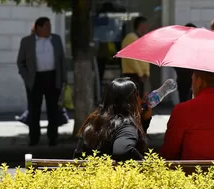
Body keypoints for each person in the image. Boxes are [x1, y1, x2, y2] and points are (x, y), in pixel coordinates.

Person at [73, 78, 152, 161]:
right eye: (138, 96)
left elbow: (78, 154)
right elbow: (122, 151)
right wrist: (146, 166)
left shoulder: (93, 122)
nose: (141, 101)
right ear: (132, 101)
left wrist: (144, 121)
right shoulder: (126, 125)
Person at [17, 17, 67, 146]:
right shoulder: (27, 42)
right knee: (34, 111)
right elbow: (20, 62)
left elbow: (62, 60)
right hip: (35, 79)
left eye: (50, 26)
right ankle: (34, 139)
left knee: (53, 110)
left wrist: (63, 79)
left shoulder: (56, 39)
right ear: (39, 28)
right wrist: (27, 78)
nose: (50, 29)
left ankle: (53, 138)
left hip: (52, 77)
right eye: (47, 26)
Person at [121, 16, 150, 97]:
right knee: (133, 99)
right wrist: (140, 74)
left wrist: (146, 73)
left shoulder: (141, 39)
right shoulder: (131, 38)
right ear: (141, 26)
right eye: (146, 26)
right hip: (132, 74)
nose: (148, 28)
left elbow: (146, 58)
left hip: (140, 76)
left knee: (139, 99)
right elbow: (131, 59)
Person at [175, 23, 196, 103]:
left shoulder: (197, 46)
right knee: (184, 102)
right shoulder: (180, 46)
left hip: (194, 81)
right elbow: (175, 63)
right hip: (183, 80)